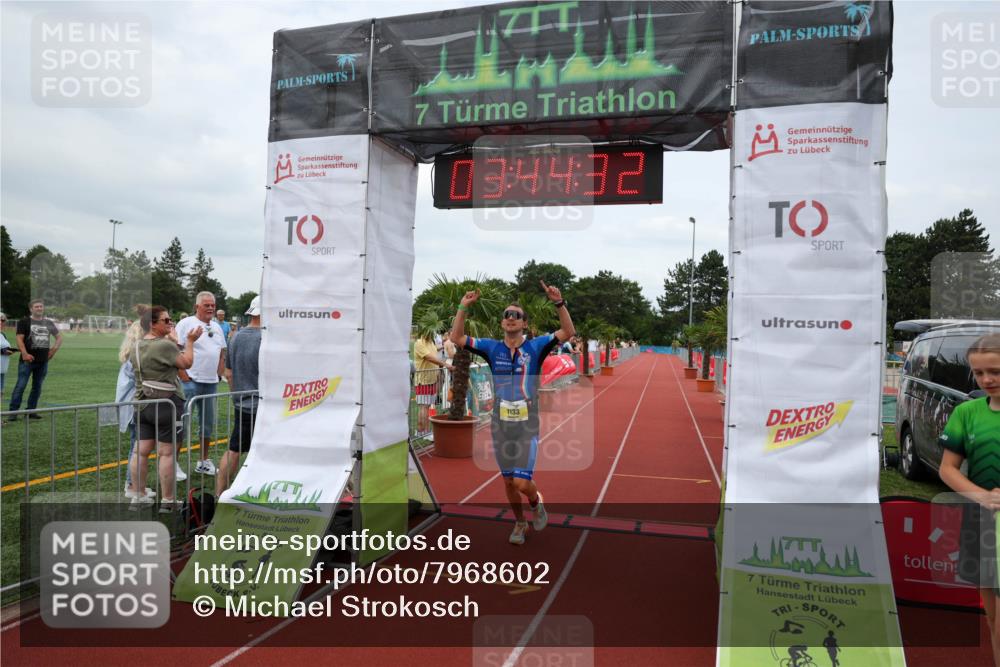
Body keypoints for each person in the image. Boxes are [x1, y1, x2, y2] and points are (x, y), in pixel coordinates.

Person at [450, 281, 575, 545]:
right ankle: (519, 523)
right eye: (506, 315)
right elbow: (456, 338)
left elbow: (568, 331)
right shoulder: (491, 348)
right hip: (500, 425)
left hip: (527, 423)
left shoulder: (536, 347)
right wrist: (463, 307)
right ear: (502, 323)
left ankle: (535, 501)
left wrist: (558, 302)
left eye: (516, 315)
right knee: (508, 482)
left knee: (521, 483)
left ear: (524, 324)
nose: (510, 318)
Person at [938, 333, 1000, 665]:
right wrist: (981, 496)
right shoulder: (967, 413)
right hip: (982, 524)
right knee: (993, 618)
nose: (987, 379)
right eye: (979, 373)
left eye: (996, 371)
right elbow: (948, 469)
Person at [129, 305, 203, 511]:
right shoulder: (164, 345)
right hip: (166, 404)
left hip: (142, 403)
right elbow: (186, 363)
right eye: (166, 320)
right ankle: (168, 501)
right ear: (152, 324)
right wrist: (189, 342)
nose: (170, 323)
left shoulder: (136, 345)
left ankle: (138, 496)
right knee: (167, 453)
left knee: (140, 452)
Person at [174, 292, 227, 475]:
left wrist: (218, 375)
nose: (211, 308)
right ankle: (172, 462)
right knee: (183, 423)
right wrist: (184, 377)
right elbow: (175, 351)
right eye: (207, 305)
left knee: (207, 424)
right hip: (191, 381)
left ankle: (203, 461)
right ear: (197, 306)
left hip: (210, 383)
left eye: (213, 305)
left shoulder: (217, 327)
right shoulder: (186, 323)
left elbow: (221, 352)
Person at [217, 296, 262, 496]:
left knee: (234, 449)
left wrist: (237, 396)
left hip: (242, 403)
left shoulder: (235, 337)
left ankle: (220, 494)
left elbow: (228, 373)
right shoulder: (266, 339)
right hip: (263, 406)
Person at [117, 305, 156, 500]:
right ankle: (132, 485)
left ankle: (134, 484)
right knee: (137, 447)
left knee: (137, 446)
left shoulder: (131, 353)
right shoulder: (137, 355)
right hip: (135, 405)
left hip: (133, 404)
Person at [8, 299, 62, 420]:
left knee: (37, 387)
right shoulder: (24, 322)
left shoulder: (48, 322)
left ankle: (31, 412)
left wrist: (53, 350)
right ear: (31, 309)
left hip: (43, 361)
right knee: (20, 386)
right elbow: (19, 339)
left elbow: (59, 338)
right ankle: (12, 413)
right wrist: (24, 353)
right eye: (36, 307)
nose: (39, 308)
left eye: (41, 306)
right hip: (27, 361)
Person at [414, 330, 448, 433]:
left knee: (428, 406)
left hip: (432, 380)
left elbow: (433, 351)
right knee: (423, 406)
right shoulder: (419, 342)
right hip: (423, 381)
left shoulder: (431, 342)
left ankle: (426, 431)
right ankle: (421, 431)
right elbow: (429, 357)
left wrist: (443, 346)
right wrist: (446, 364)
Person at [0, 312, 14, 398]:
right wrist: (3, 351)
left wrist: (10, 350)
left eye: (3, 320)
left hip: (2, 368)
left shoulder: (2, 334)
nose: (1, 322)